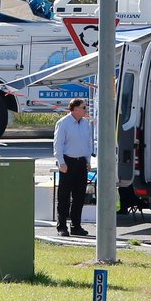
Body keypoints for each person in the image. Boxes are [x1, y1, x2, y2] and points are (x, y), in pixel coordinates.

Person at [53, 98, 94, 237]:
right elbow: (58, 144)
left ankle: (76, 226)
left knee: (79, 197)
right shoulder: (63, 123)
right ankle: (62, 227)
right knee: (64, 196)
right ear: (75, 108)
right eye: (83, 107)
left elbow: (88, 144)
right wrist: (61, 162)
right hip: (68, 162)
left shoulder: (85, 124)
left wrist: (88, 161)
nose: (85, 110)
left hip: (81, 162)